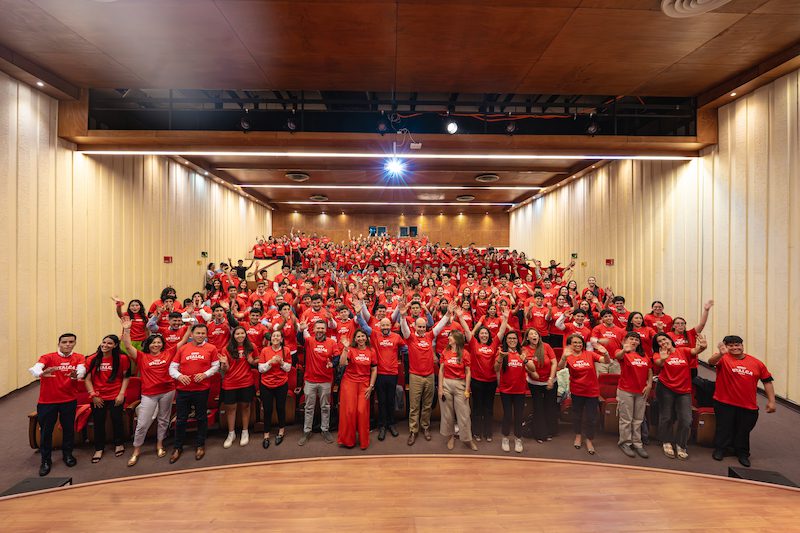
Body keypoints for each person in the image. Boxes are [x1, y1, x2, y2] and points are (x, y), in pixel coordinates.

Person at [708, 336, 776, 467]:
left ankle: (742, 453)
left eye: (737, 345)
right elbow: (711, 362)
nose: (735, 348)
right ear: (726, 347)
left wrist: (772, 401)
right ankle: (720, 449)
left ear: (742, 345)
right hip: (724, 402)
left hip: (748, 405)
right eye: (731, 345)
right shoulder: (723, 358)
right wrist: (720, 354)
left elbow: (767, 381)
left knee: (743, 431)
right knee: (724, 428)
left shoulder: (757, 363)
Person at [28, 333, 86, 476]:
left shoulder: (78, 357)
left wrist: (77, 375)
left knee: (68, 429)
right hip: (47, 402)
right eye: (64, 342)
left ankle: (68, 455)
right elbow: (35, 368)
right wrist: (41, 373)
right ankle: (45, 460)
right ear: (59, 343)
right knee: (46, 431)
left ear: (75, 343)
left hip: (69, 400)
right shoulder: (48, 357)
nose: (68, 344)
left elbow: (81, 370)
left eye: (71, 342)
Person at [397, 299, 451, 445]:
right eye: (419, 326)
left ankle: (425, 427)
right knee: (414, 406)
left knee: (427, 405)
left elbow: (439, 326)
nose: (421, 329)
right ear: (415, 327)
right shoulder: (410, 338)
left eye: (423, 326)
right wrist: (402, 317)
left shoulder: (429, 336)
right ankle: (413, 430)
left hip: (429, 376)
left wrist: (447, 314)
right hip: (415, 376)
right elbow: (404, 330)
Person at [168, 323, 220, 463]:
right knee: (181, 419)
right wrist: (179, 376)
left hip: (201, 389)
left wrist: (205, 374)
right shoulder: (183, 348)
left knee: (201, 418)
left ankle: (200, 445)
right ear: (191, 334)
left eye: (203, 333)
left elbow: (216, 366)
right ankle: (178, 447)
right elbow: (172, 368)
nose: (200, 335)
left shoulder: (211, 348)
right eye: (198, 333)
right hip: (183, 390)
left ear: (206, 334)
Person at [652, 332, 707, 460]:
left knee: (686, 419)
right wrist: (664, 358)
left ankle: (681, 444)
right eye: (659, 341)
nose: (663, 342)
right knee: (666, 417)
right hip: (665, 388)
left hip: (684, 389)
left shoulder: (682, 351)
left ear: (670, 339)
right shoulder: (658, 354)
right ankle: (666, 441)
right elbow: (659, 363)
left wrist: (702, 347)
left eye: (664, 339)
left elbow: (695, 350)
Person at [356, 304, 406, 440]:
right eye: (383, 325)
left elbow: (405, 348)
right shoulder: (375, 335)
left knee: (390, 400)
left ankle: (391, 424)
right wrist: (358, 314)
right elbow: (364, 326)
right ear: (380, 326)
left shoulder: (396, 337)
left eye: (387, 325)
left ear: (390, 326)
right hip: (379, 374)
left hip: (393, 374)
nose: (385, 327)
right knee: (382, 401)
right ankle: (382, 426)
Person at [460, 309, 508, 443]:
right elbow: (467, 331)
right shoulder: (474, 343)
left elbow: (501, 332)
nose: (484, 335)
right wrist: (460, 316)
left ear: (489, 335)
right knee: (477, 408)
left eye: (486, 333)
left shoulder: (494, 344)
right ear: (478, 335)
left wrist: (505, 318)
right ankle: (476, 432)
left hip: (490, 382)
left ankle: (488, 433)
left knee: (488, 408)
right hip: (477, 381)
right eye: (482, 333)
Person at [558, 334, 610, 455]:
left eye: (580, 342)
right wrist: (564, 357)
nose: (578, 344)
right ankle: (578, 435)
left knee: (591, 417)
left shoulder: (590, 354)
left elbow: (606, 361)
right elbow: (560, 367)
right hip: (577, 391)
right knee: (577, 415)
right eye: (575, 342)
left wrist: (606, 353)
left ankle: (589, 439)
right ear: (570, 345)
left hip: (592, 391)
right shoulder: (568, 356)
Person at [84, 335, 131, 463]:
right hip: (98, 396)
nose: (105, 345)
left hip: (116, 395)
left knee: (117, 420)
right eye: (104, 342)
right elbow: (87, 379)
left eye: (109, 343)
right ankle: (99, 448)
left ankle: (119, 444)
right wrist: (93, 395)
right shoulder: (92, 359)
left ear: (115, 345)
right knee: (99, 422)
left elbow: (126, 377)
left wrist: (121, 394)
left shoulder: (122, 358)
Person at [297, 319, 339, 446]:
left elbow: (337, 357)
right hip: (310, 380)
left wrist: (333, 364)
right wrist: (301, 330)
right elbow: (299, 339)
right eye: (318, 328)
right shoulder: (309, 341)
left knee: (325, 407)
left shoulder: (332, 342)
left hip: (325, 380)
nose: (320, 330)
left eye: (322, 328)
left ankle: (325, 430)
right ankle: (307, 431)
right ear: (314, 329)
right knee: (309, 407)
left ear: (326, 330)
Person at [251, 330, 293, 449]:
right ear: (271, 338)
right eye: (274, 336)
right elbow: (261, 369)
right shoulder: (265, 350)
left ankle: (281, 431)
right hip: (266, 384)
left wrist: (281, 362)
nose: (275, 338)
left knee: (280, 408)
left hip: (281, 384)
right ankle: (266, 434)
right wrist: (270, 362)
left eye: (278, 336)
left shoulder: (286, 350)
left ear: (281, 339)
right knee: (268, 410)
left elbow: (288, 368)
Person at [337, 330, 377, 449]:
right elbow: (342, 363)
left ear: (366, 338)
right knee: (349, 411)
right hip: (349, 382)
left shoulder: (371, 351)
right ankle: (348, 440)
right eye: (358, 336)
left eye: (363, 336)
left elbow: (374, 369)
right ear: (355, 339)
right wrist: (345, 348)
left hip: (364, 384)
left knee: (361, 411)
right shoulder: (351, 350)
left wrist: (371, 386)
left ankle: (364, 441)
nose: (360, 338)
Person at [615, 332, 653, 459]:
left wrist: (649, 384)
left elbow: (649, 370)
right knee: (626, 419)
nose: (634, 341)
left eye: (636, 339)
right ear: (625, 340)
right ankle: (625, 443)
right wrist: (624, 350)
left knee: (638, 419)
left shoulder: (644, 355)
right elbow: (617, 356)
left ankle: (637, 444)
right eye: (631, 339)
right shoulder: (623, 353)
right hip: (626, 390)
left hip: (641, 391)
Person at [438, 330, 477, 451]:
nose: (448, 338)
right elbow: (441, 370)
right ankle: (450, 437)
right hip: (446, 384)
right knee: (447, 414)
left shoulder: (465, 353)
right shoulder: (445, 351)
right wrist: (440, 388)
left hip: (460, 384)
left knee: (464, 414)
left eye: (451, 336)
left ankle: (467, 439)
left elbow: (468, 372)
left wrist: (467, 389)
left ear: (457, 339)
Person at [219, 326, 257, 449]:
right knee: (231, 408)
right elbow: (225, 369)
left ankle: (245, 432)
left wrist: (252, 361)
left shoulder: (251, 346)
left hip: (246, 382)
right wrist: (224, 364)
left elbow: (256, 361)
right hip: (230, 383)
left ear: (246, 334)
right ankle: (231, 433)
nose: (240, 336)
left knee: (246, 406)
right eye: (237, 334)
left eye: (242, 333)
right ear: (233, 336)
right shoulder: (226, 349)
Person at [494, 330, 529, 453]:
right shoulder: (502, 352)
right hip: (506, 390)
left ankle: (518, 439)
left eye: (514, 338)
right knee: (507, 415)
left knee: (519, 415)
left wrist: (525, 360)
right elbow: (496, 368)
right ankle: (505, 438)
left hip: (520, 390)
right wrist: (500, 357)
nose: (512, 340)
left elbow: (532, 369)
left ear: (517, 340)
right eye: (509, 338)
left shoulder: (523, 352)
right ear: (506, 340)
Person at [522, 328, 558, 443]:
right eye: (531, 334)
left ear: (539, 336)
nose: (534, 336)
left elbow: (554, 363)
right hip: (535, 383)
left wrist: (551, 379)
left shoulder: (546, 346)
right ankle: (540, 434)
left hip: (550, 381)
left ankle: (550, 431)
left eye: (536, 334)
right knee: (538, 408)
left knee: (550, 407)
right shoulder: (525, 349)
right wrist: (533, 372)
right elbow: (528, 367)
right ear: (527, 338)